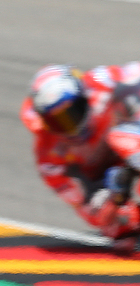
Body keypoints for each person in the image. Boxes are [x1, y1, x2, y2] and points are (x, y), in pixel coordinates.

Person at [21, 63, 140, 251]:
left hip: (132, 138)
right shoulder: (49, 158)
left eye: (72, 112)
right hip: (106, 181)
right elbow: (86, 209)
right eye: (57, 121)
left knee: (122, 137)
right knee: (118, 228)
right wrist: (114, 198)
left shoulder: (102, 82)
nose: (69, 124)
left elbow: (134, 72)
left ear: (83, 96)